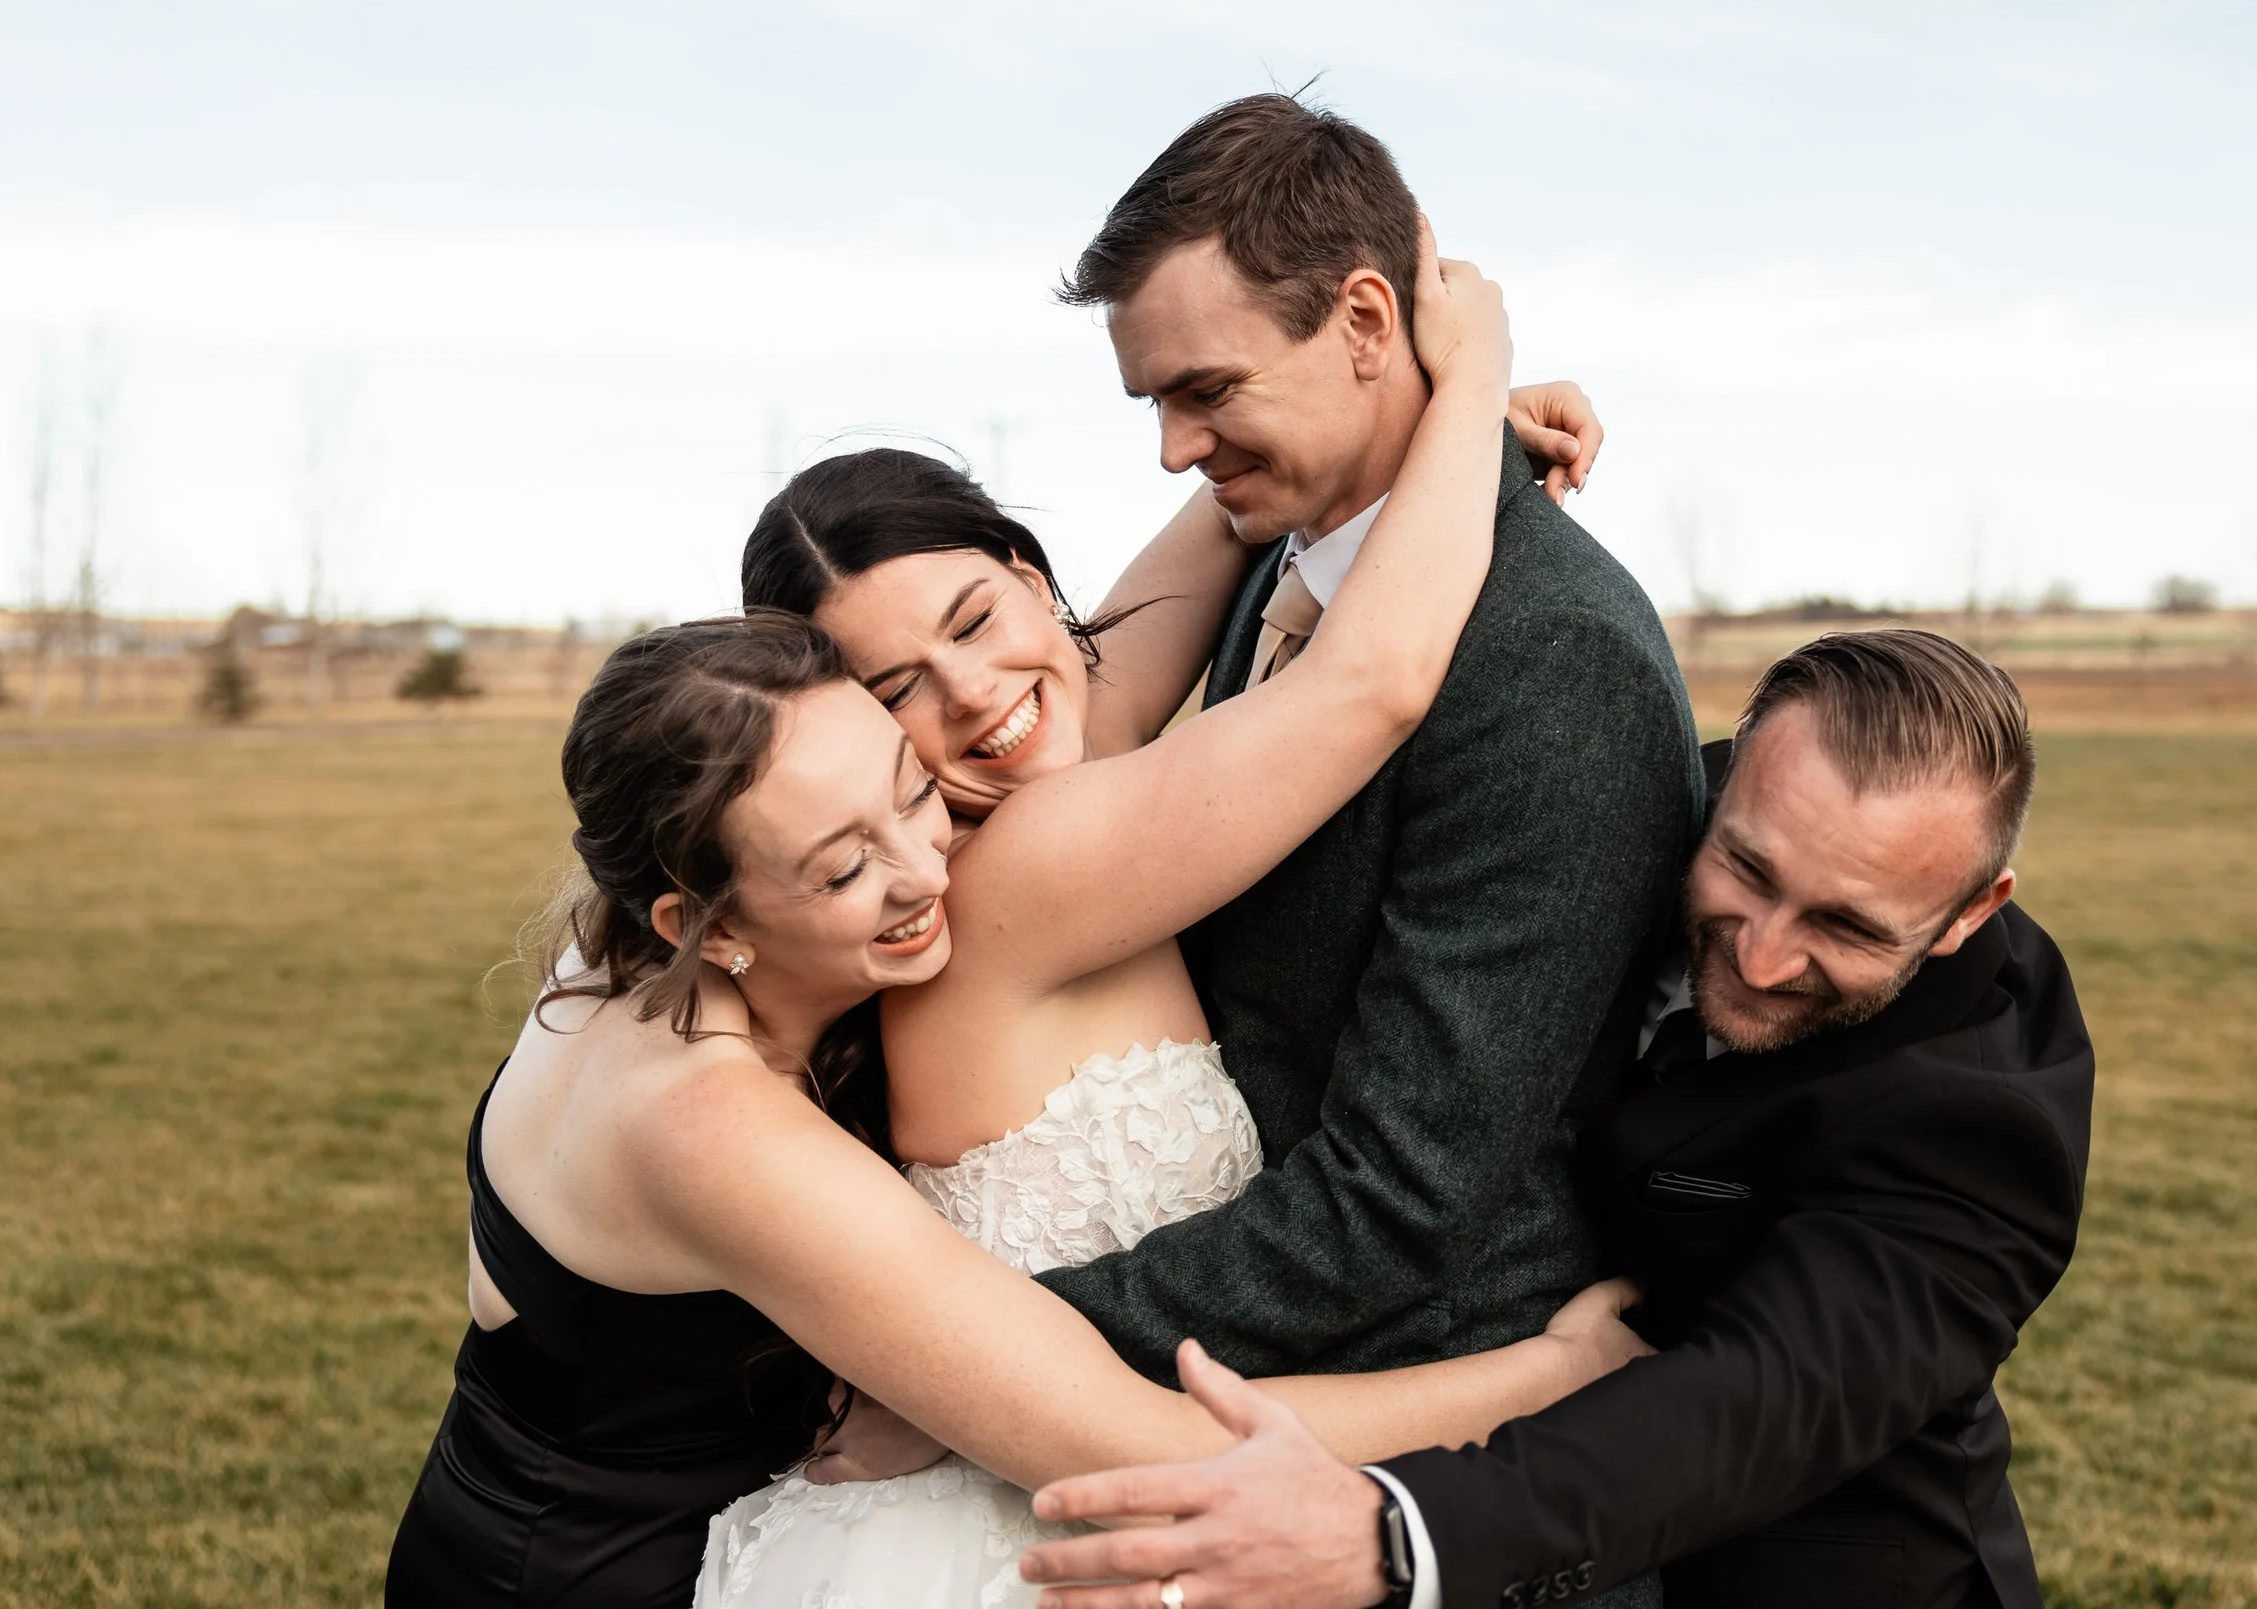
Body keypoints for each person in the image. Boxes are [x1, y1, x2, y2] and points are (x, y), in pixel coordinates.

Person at [387, 244, 1644, 1609]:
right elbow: (1365, 687)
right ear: (713, 912)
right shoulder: (733, 1091)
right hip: (583, 1570)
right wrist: (1564, 1381)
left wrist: (1381, 429)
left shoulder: (661, 927)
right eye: (846, 848)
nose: (925, 849)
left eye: (911, 790)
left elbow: (1109, 647)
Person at [1019, 629, 2097, 1609]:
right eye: (1746, 868)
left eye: (1845, 927)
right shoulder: (1629, 803)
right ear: (1727, 774)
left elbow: (1751, 1402)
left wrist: (1394, 1534)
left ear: (1970, 910)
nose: (1763, 955)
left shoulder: (1980, 1125)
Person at [1008, 96, 1701, 1557]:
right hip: (1233, 1412)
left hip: (1408, 1460)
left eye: (1204, 388)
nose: (1172, 447)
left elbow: (1402, 1193)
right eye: (1149, 402)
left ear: (1369, 318)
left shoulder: (1551, 652)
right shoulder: (1288, 555)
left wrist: (998, 1343)